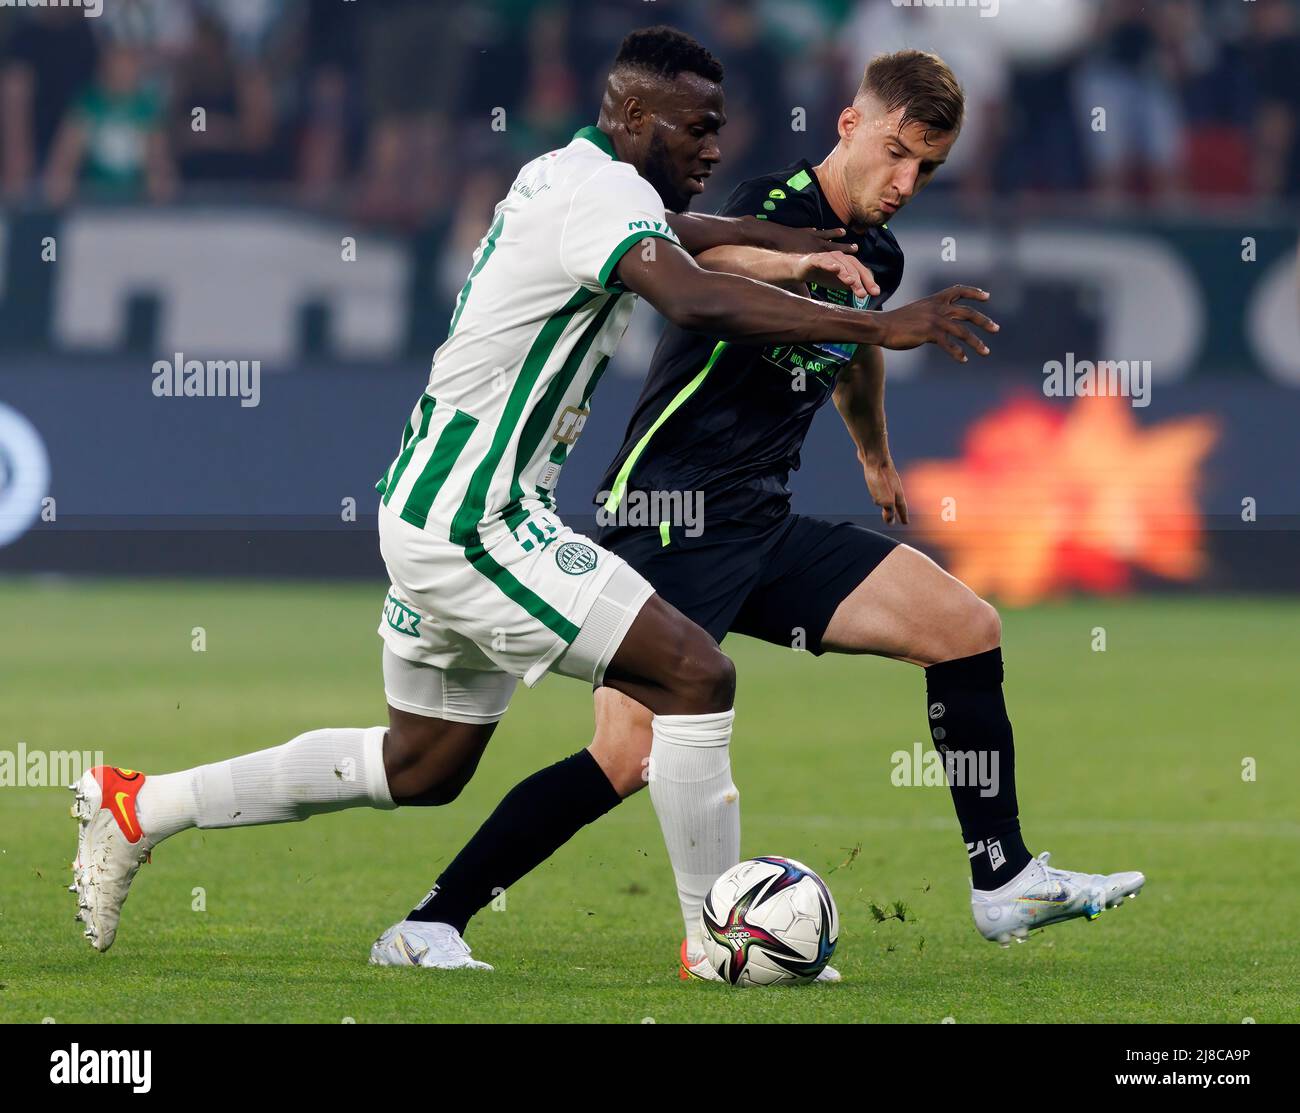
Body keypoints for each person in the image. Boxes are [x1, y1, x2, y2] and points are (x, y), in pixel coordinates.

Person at [70, 28, 995, 965]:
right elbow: (696, 298)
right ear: (636, 116)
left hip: (433, 504)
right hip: (475, 523)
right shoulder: (605, 197)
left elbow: (687, 235)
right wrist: (879, 325)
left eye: (720, 128)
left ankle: (142, 806)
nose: (715, 148)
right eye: (697, 128)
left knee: (420, 766)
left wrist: (777, 241)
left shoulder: (569, 173)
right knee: (695, 676)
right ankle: (718, 940)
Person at [406, 48, 1144, 982]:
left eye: (929, 168)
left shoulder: (878, 250)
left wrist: (874, 452)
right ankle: (434, 919)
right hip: (669, 513)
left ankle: (1002, 879)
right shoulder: (769, 204)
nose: (907, 181)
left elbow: (856, 347)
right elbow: (715, 272)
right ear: (849, 125)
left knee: (964, 627)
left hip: (761, 521)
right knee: (624, 754)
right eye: (896, 153)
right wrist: (816, 279)